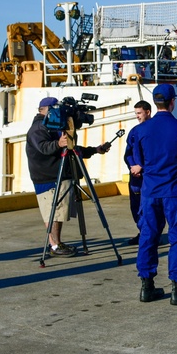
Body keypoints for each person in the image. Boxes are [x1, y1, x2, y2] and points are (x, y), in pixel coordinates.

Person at [129, 84, 177, 305]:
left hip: (150, 191)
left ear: (155, 103)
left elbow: (138, 160)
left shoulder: (140, 131)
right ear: (172, 102)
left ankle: (146, 286)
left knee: (148, 236)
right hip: (175, 191)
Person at [25, 96, 111, 257]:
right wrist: (58, 143)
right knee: (54, 212)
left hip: (59, 174)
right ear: (45, 109)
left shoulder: (53, 125)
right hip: (47, 176)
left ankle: (57, 243)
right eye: (54, 108)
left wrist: (94, 150)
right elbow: (44, 148)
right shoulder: (38, 128)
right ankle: (55, 245)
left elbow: (71, 148)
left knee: (58, 212)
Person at [122, 100, 152, 246]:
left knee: (149, 207)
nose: (137, 117)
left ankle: (152, 235)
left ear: (148, 112)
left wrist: (142, 167)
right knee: (136, 207)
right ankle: (143, 233)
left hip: (148, 177)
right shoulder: (134, 131)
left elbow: (156, 154)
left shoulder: (154, 130)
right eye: (136, 114)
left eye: (139, 113)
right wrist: (133, 166)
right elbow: (128, 153)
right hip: (135, 178)